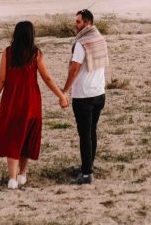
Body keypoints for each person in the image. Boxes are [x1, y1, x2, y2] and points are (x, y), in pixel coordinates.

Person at [0, 20, 69, 189]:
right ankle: (22, 174)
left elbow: (2, 79)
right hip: (30, 100)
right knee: (27, 134)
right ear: (31, 35)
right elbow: (47, 78)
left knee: (13, 135)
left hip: (11, 99)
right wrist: (61, 95)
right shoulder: (36, 54)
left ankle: (12, 178)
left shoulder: (7, 53)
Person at [61, 9, 109, 185]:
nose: (76, 25)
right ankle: (88, 165)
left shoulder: (82, 44)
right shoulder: (100, 39)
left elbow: (74, 69)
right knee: (92, 131)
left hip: (84, 95)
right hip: (99, 93)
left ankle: (87, 173)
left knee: (84, 134)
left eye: (79, 22)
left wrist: (64, 91)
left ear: (87, 23)